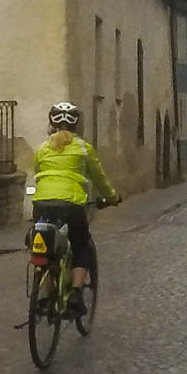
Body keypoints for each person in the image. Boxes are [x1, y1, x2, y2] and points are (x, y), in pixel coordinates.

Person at [31, 102, 122, 317]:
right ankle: (76, 294)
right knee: (82, 246)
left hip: (41, 205)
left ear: (51, 124)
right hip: (71, 206)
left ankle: (44, 298)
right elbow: (99, 178)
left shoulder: (42, 148)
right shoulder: (83, 148)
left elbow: (37, 173)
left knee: (44, 249)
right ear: (76, 125)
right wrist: (112, 197)